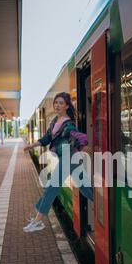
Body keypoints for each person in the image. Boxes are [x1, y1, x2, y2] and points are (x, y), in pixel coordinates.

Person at [23, 92, 93, 232]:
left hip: (69, 157)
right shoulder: (55, 121)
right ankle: (105, 202)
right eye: (56, 102)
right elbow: (47, 138)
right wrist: (32, 145)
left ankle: (38, 221)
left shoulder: (68, 123)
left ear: (67, 106)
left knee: (51, 187)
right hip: (68, 158)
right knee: (85, 187)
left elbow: (75, 135)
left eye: (61, 103)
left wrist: (84, 146)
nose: (57, 105)